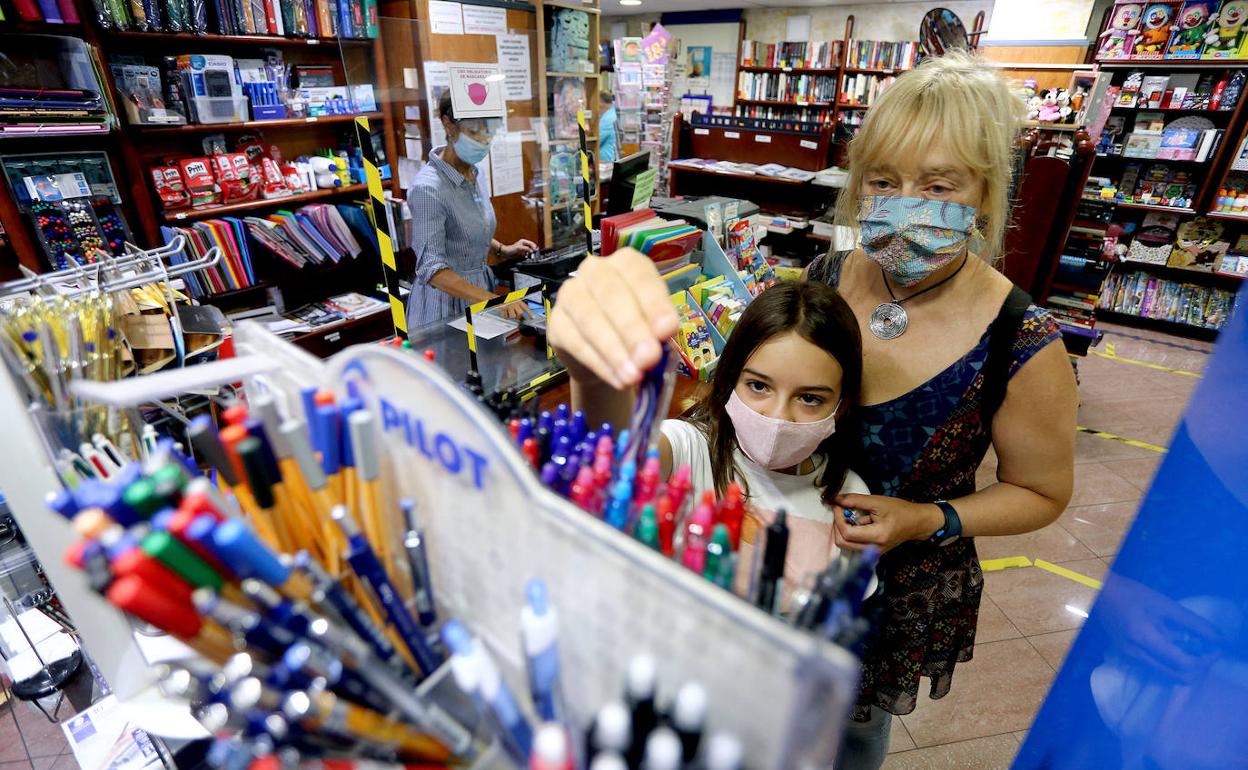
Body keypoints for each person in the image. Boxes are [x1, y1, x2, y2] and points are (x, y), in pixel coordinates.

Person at [802, 50, 1078, 769]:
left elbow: (1042, 492)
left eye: (938, 184)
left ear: (984, 195)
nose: (904, 202)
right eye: (883, 181)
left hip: (892, 590)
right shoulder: (829, 276)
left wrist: (931, 518)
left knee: (851, 739)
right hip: (790, 556)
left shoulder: (1022, 337)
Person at [549, 274, 870, 591]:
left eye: (809, 398)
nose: (778, 417)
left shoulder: (849, 496)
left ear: (840, 407)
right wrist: (594, 365)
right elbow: (621, 452)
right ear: (730, 380)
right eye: (758, 386)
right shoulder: (688, 448)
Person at [406, 91, 537, 328]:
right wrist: (494, 300)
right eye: (475, 131)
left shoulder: (475, 173)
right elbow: (431, 268)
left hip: (480, 290)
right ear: (448, 124)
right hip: (445, 301)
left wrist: (501, 249)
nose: (483, 141)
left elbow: (465, 228)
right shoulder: (427, 189)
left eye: (490, 133)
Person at [598, 91, 619, 165]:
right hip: (609, 158)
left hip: (605, 161)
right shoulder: (612, 112)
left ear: (601, 102)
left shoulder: (607, 119)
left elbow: (597, 140)